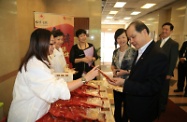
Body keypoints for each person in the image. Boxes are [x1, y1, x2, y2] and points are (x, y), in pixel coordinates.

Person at [8, 28, 99, 122]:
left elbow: (53, 81)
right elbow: (54, 90)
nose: (54, 46)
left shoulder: (40, 61)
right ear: (41, 43)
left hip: (38, 112)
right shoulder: (34, 65)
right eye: (51, 43)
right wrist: (85, 78)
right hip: (28, 115)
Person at [107, 20, 168, 122]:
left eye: (133, 37)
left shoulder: (158, 54)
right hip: (134, 104)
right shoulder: (141, 50)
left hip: (144, 108)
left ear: (144, 32)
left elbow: (152, 87)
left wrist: (124, 82)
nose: (131, 41)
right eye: (129, 38)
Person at [111, 28, 136, 122]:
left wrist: (124, 72)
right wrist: (113, 70)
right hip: (116, 83)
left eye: (123, 37)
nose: (121, 40)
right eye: (118, 38)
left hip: (128, 83)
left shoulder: (133, 52)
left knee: (127, 107)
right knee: (117, 106)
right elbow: (113, 65)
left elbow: (136, 69)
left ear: (128, 38)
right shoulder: (115, 52)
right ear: (116, 39)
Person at [155, 22, 179, 111]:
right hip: (156, 71)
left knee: (164, 91)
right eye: (163, 29)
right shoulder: (157, 42)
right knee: (156, 88)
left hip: (165, 72)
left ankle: (162, 107)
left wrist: (169, 73)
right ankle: (155, 105)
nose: (164, 31)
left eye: (166, 29)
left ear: (171, 31)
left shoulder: (173, 44)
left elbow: (173, 59)